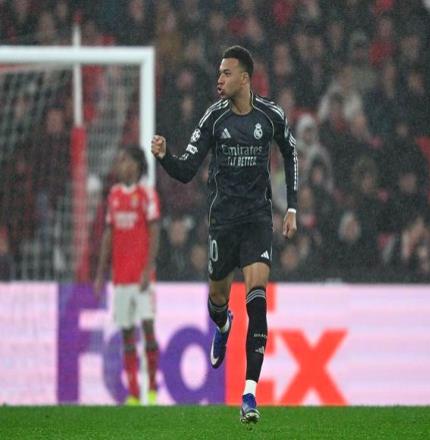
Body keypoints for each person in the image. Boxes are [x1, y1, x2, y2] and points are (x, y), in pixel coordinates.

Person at [151, 45, 298, 423]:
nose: (219, 79)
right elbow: (186, 170)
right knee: (218, 299)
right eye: (219, 73)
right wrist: (165, 156)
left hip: (257, 220)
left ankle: (249, 394)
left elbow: (291, 152)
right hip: (223, 223)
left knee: (257, 297)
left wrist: (292, 207)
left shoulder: (271, 115)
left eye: (226, 73)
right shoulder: (214, 118)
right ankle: (223, 324)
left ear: (245, 78)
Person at [94, 146, 161, 406]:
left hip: (142, 278)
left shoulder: (147, 195)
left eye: (124, 160)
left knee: (148, 328)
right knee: (126, 333)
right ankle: (133, 393)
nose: (119, 164)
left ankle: (152, 388)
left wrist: (148, 269)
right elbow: (108, 235)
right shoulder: (113, 195)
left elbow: (154, 233)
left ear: (135, 164)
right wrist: (100, 274)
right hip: (120, 278)